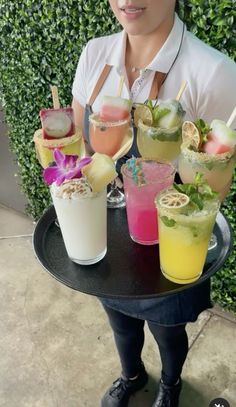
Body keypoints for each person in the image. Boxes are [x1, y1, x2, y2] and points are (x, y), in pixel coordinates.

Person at [72, 1, 236, 406]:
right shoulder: (95, 54)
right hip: (111, 236)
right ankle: (131, 375)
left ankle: (170, 385)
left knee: (167, 330)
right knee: (120, 321)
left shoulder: (214, 72)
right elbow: (79, 143)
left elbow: (215, 179)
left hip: (172, 240)